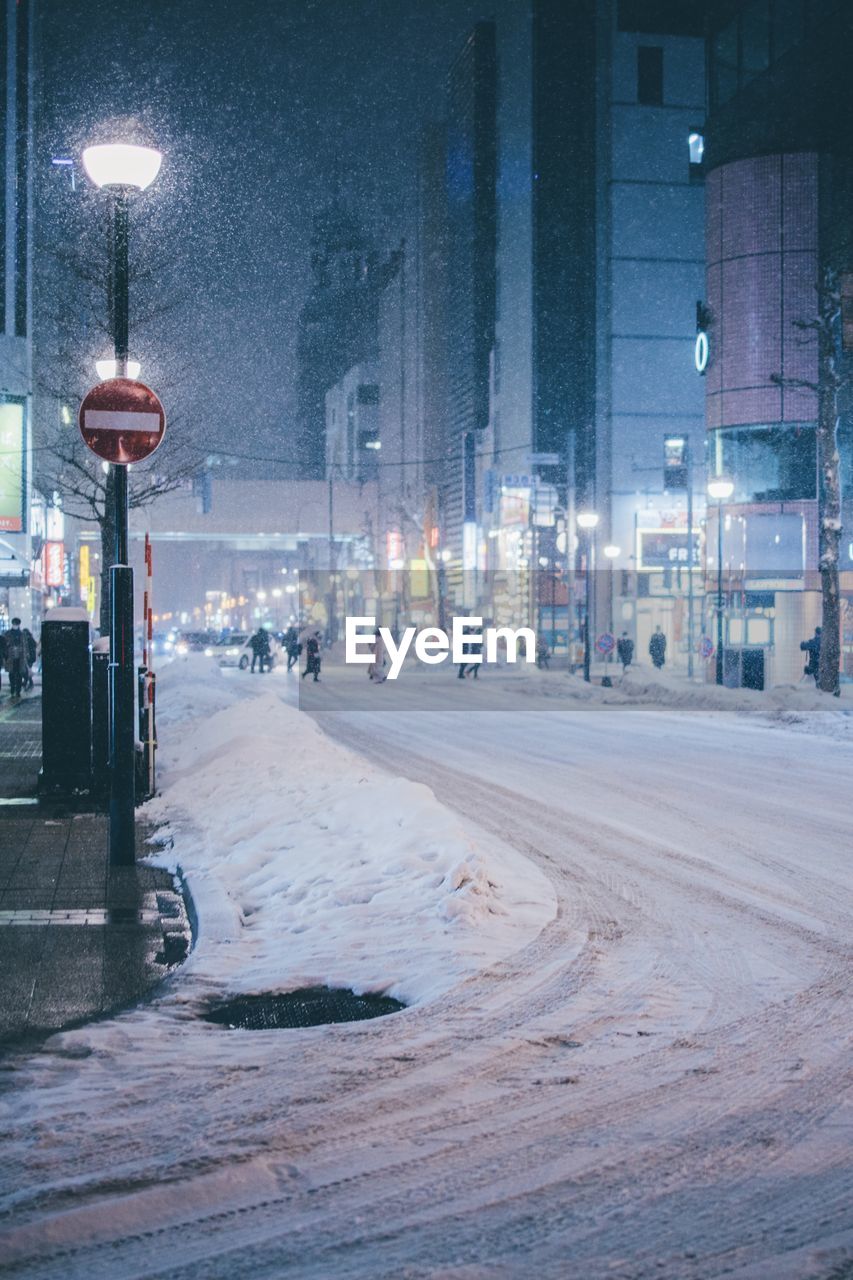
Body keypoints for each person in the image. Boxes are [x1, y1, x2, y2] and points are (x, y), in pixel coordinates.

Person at [4, 617, 29, 698]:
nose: (15, 625)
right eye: (14, 623)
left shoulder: (22, 634)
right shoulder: (8, 634)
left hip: (20, 658)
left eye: (17, 624)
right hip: (10, 658)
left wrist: (25, 655)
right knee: (11, 674)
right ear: (12, 624)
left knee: (19, 674)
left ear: (19, 624)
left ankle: (17, 691)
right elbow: (5, 645)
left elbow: (25, 646)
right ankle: (12, 688)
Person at [23, 627, 37, 691]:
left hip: (29, 658)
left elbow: (28, 649)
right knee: (27, 670)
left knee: (27, 670)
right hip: (31, 658)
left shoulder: (28, 639)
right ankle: (29, 682)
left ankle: (28, 682)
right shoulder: (31, 639)